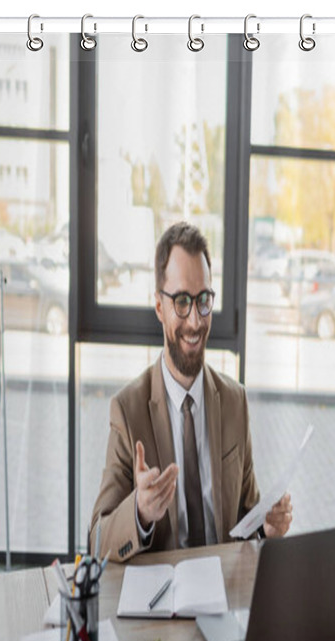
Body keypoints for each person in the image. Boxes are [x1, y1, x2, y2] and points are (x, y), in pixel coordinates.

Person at [90, 221, 293, 562]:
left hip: (225, 590)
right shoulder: (128, 410)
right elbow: (97, 540)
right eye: (182, 301)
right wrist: (139, 513)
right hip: (164, 601)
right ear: (159, 307)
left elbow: (247, 516)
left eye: (203, 300)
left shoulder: (234, 402)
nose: (196, 321)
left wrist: (266, 529)